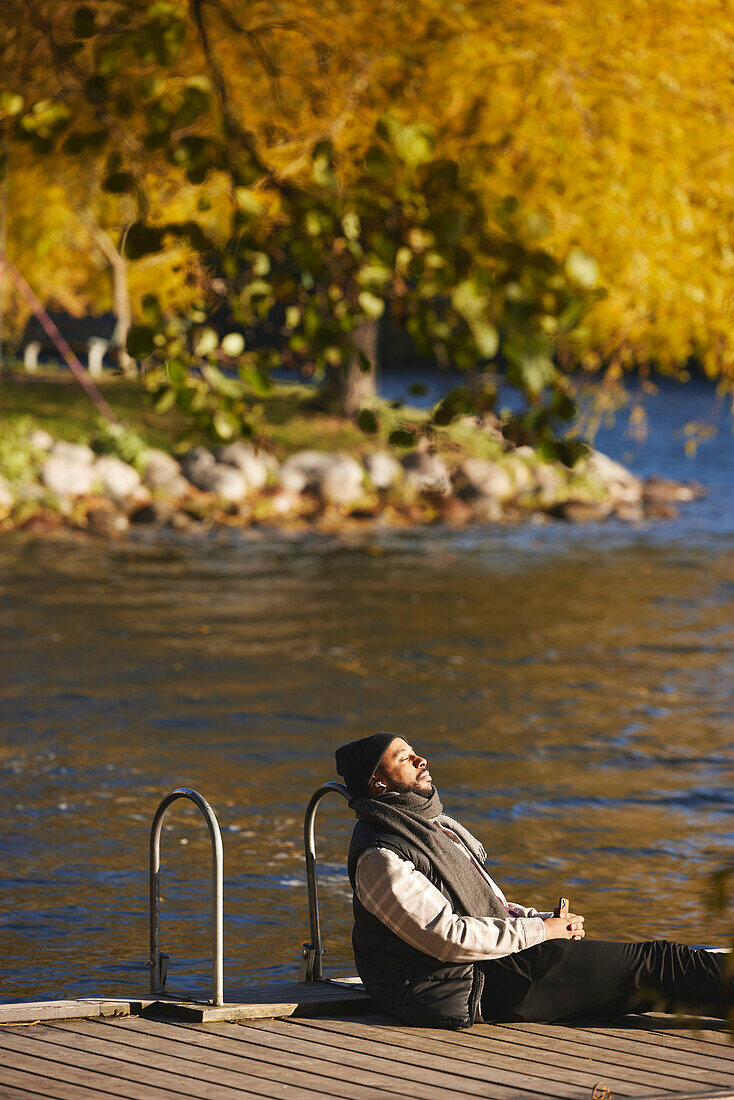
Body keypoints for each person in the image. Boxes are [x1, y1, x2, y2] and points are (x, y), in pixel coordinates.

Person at [335, 732, 732, 1029]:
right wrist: (540, 930)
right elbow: (447, 936)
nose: (421, 759)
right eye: (405, 758)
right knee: (657, 964)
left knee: (644, 981)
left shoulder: (426, 827)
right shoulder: (380, 857)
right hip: (468, 986)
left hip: (489, 968)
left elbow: (487, 905)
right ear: (379, 784)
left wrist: (538, 919)